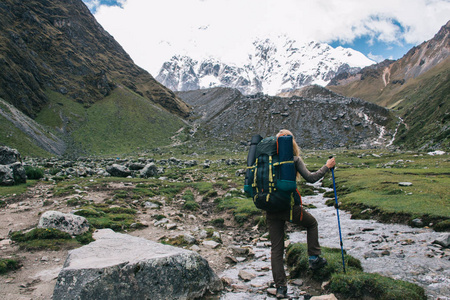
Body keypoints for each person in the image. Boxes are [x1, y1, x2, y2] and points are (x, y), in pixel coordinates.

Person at [267, 129, 336, 299]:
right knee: (311, 224)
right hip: (291, 208)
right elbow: (311, 179)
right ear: (292, 143)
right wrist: (326, 167)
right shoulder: (294, 159)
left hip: (270, 209)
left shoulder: (267, 160)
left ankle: (281, 289)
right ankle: (314, 258)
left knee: (276, 248)